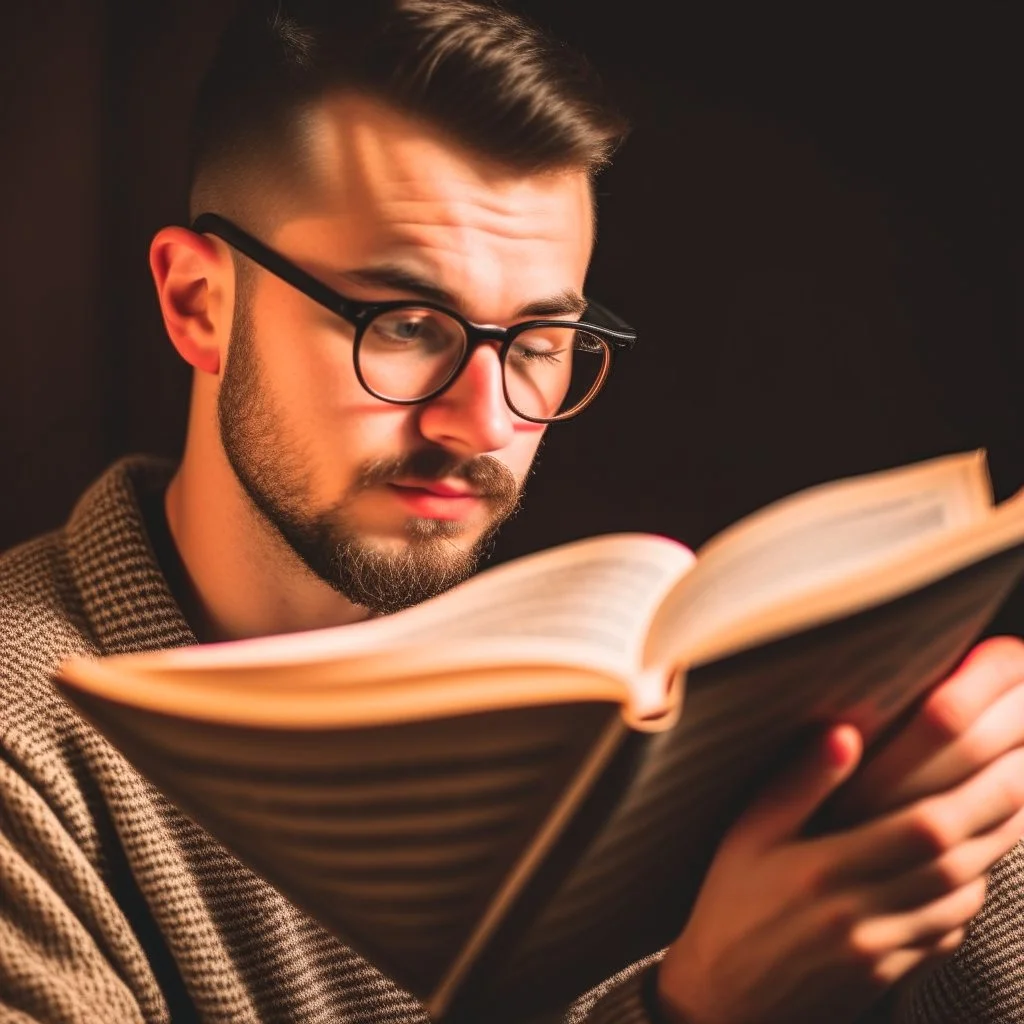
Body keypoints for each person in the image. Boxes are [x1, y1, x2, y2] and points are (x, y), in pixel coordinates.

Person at [1, 1, 1023, 1021]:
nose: (479, 422)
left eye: (538, 342)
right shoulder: (24, 754)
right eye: (403, 324)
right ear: (198, 303)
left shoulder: (627, 710)